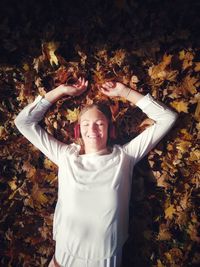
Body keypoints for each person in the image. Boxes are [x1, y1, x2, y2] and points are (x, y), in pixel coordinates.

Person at [14, 77, 178, 267]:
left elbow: (167, 118)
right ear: (78, 131)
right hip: (63, 261)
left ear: (110, 129)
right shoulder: (65, 156)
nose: (92, 129)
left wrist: (125, 92)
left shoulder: (124, 157)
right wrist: (60, 91)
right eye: (85, 124)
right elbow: (23, 122)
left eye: (99, 123)